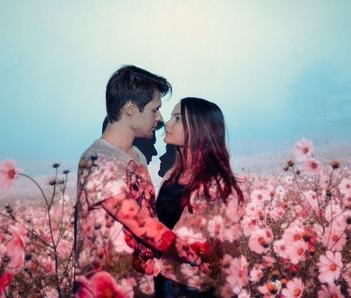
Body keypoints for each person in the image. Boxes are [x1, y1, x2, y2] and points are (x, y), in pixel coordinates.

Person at [74, 66, 202, 297]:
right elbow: (137, 221)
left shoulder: (138, 157)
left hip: (140, 285)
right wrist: (189, 252)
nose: (160, 118)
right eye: (155, 110)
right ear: (130, 109)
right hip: (105, 287)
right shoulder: (96, 159)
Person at [154, 97, 245, 297]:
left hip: (194, 288)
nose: (167, 124)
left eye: (177, 118)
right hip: (161, 281)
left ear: (199, 128)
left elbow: (230, 251)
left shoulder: (218, 187)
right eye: (171, 117)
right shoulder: (171, 177)